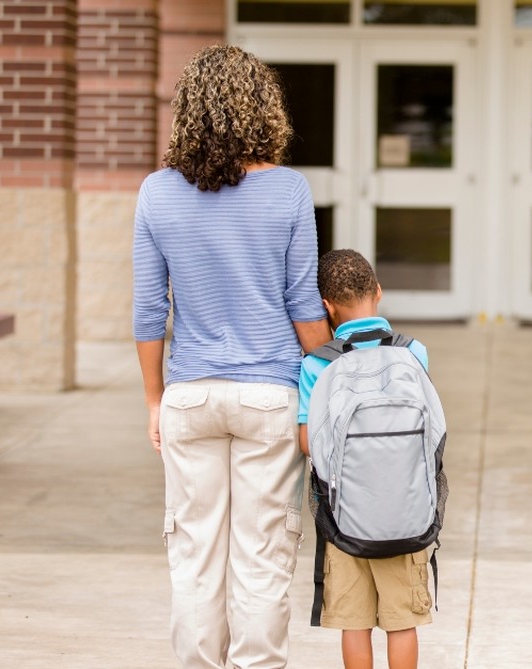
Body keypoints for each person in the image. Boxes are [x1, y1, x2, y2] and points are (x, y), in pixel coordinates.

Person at [132, 45, 332, 669]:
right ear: (262, 109)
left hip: (189, 396)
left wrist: (154, 400)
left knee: (194, 555)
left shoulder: (156, 193)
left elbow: (147, 312)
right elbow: (304, 306)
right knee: (263, 555)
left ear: (187, 110)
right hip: (270, 394)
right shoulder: (289, 191)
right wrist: (332, 379)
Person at [298, 249, 432, 669]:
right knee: (402, 622)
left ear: (326, 306)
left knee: (354, 625)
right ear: (378, 292)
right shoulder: (414, 353)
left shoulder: (318, 364)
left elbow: (307, 443)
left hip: (345, 519)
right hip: (406, 514)